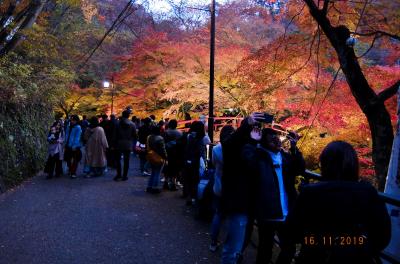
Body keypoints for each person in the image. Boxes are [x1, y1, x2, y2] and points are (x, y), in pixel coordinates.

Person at [286, 141, 391, 264]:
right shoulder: (368, 192)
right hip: (356, 257)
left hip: (315, 256)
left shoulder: (310, 192)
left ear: (324, 163)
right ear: (354, 164)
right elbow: (383, 235)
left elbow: (292, 231)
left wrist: (316, 241)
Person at [242, 128, 305, 264]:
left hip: (286, 212)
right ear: (264, 142)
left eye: (277, 138)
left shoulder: (285, 156)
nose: (277, 142)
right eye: (272, 140)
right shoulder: (258, 157)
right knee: (265, 249)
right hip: (267, 213)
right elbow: (248, 163)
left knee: (289, 248)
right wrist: (253, 141)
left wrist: (295, 148)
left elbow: (300, 168)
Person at [220, 116, 259, 264]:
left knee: (237, 242)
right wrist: (246, 128)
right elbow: (230, 144)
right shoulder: (234, 148)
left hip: (246, 201)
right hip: (239, 201)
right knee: (233, 244)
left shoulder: (251, 145)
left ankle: (236, 257)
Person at [209, 125, 235, 252]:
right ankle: (229, 244)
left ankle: (213, 242)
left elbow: (213, 164)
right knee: (232, 218)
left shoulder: (216, 149)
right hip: (233, 189)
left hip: (219, 186)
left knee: (218, 215)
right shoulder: (238, 149)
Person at [183, 121, 209, 205]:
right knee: (197, 180)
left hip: (188, 160)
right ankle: (196, 198)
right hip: (199, 161)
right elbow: (206, 149)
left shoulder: (189, 136)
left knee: (189, 178)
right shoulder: (204, 138)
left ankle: (189, 197)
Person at [113, 110, 137, 181]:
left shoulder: (117, 124)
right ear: (128, 116)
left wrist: (113, 144)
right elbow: (135, 135)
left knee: (118, 160)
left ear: (122, 115)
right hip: (128, 143)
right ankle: (125, 176)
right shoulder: (132, 124)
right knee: (127, 160)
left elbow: (114, 135)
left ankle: (118, 174)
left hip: (118, 143)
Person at [146, 125, 168, 194]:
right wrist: (166, 157)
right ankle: (155, 187)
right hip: (158, 157)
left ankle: (149, 186)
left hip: (151, 156)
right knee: (157, 173)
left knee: (153, 172)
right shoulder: (160, 138)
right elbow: (163, 150)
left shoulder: (149, 137)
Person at [163, 119, 183, 191]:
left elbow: (163, 142)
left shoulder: (166, 132)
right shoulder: (180, 133)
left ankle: (166, 182)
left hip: (167, 152)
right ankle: (173, 184)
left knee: (167, 167)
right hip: (176, 153)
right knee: (175, 168)